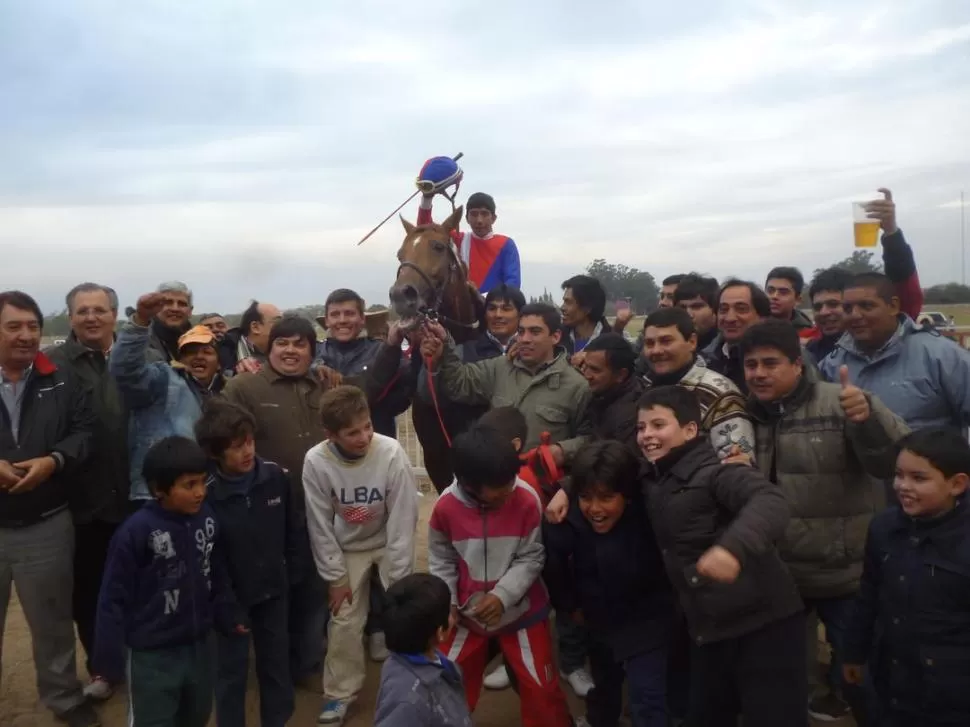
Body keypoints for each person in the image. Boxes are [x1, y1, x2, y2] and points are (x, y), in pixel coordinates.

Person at [739, 319, 908, 722]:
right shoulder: (745, 415)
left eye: (770, 363)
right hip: (780, 576)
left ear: (798, 365)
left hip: (844, 573)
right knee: (786, 681)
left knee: (863, 677)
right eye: (750, 365)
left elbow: (893, 463)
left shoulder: (845, 402)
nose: (759, 373)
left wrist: (868, 422)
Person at [637, 386, 806, 727]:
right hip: (708, 627)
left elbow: (770, 502)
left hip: (763, 624)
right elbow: (608, 464)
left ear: (689, 430)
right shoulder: (653, 477)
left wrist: (732, 548)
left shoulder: (718, 472)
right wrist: (567, 490)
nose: (647, 435)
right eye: (641, 427)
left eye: (658, 425)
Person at [428, 423, 574, 727]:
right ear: (470, 483)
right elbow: (441, 558)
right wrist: (448, 603)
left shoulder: (526, 497)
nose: (511, 488)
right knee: (446, 680)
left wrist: (503, 596)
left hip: (523, 613)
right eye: (501, 486)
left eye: (513, 479)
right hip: (467, 615)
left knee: (541, 688)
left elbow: (532, 555)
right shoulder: (445, 507)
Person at [92, 436, 242, 727]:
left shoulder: (207, 519)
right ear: (159, 489)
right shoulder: (135, 533)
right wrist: (107, 660)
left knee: (196, 716)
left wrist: (226, 613)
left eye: (202, 482)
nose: (200, 492)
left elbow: (216, 571)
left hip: (199, 648)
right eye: (189, 485)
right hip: (152, 656)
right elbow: (112, 598)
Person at [0, 290, 99, 727]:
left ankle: (63, 698)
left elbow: (84, 430)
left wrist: (53, 461)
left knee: (53, 622)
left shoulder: (60, 375)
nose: (26, 336)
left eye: (33, 326)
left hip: (46, 521)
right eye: (13, 326)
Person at [223, 315, 330, 686]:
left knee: (315, 591)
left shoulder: (325, 385)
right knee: (273, 592)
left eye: (300, 344)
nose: (290, 350)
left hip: (319, 512)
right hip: (266, 515)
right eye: (282, 342)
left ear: (312, 351)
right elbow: (224, 441)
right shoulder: (243, 387)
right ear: (269, 348)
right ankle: (274, 667)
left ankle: (307, 663)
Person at [302, 385, 419, 725]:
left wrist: (399, 580)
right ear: (330, 435)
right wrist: (335, 578)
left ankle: (414, 681)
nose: (364, 436)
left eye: (367, 425)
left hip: (387, 539)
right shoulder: (316, 460)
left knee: (408, 610)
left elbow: (403, 517)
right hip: (348, 546)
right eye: (352, 432)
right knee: (344, 620)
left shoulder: (391, 451)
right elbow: (319, 524)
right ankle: (339, 695)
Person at [844, 428, 970, 727]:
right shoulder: (884, 527)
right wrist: (854, 651)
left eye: (919, 478)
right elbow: (869, 595)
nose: (903, 486)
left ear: (957, 484)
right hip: (894, 682)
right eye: (899, 475)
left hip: (953, 696)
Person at [544, 441, 673, 727]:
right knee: (604, 683)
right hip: (597, 616)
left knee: (647, 694)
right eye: (586, 497)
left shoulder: (650, 512)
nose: (595, 508)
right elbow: (554, 566)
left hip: (647, 617)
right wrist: (570, 605)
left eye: (605, 498)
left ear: (626, 496)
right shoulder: (566, 518)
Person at [44, 283, 131, 701]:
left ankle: (139, 656)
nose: (91, 317)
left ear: (115, 314)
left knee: (141, 583)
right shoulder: (52, 364)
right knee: (90, 591)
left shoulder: (139, 356)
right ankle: (102, 666)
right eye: (82, 311)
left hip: (136, 494)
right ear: (71, 317)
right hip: (82, 499)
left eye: (100, 309)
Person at [196, 399, 298, 727]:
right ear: (214, 453)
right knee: (230, 673)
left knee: (276, 666)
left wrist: (291, 576)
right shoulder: (205, 495)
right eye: (237, 447)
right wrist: (226, 606)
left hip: (273, 592)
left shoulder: (275, 477)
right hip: (231, 602)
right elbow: (209, 558)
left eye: (250, 442)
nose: (247, 452)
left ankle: (277, 721)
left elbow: (293, 531)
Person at [420, 303, 591, 451]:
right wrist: (446, 343)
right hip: (494, 479)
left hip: (542, 485)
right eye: (521, 331)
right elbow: (458, 383)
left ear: (555, 337)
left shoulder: (577, 385)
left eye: (535, 332)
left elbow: (589, 439)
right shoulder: (499, 367)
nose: (525, 339)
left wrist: (561, 451)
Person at [818, 272, 970, 431]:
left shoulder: (942, 355)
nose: (855, 315)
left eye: (866, 306)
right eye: (848, 308)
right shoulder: (832, 364)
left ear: (893, 306)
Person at [111, 294, 224, 502]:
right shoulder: (165, 380)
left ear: (218, 362)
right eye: (190, 352)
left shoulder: (229, 391)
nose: (198, 357)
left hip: (209, 493)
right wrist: (140, 322)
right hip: (161, 497)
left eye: (206, 351)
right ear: (180, 360)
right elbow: (125, 370)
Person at [415, 285, 526, 489]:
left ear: (521, 314)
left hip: (524, 458)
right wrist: (433, 363)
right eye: (492, 308)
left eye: (506, 308)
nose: (498, 315)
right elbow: (428, 396)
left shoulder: (533, 354)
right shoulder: (460, 352)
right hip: (474, 459)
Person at [642, 307, 755, 458]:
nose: (656, 350)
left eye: (666, 341)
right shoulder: (643, 388)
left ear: (692, 342)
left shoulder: (720, 394)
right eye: (650, 343)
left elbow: (737, 466)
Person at [373, 573, 474, 727]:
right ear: (441, 632)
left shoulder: (425, 658)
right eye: (448, 613)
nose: (453, 617)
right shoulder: (406, 700)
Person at [314, 289, 411, 439]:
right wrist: (315, 369)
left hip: (375, 441)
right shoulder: (313, 354)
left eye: (349, 313)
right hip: (325, 448)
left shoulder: (384, 351)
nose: (342, 320)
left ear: (362, 319)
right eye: (335, 315)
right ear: (326, 321)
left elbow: (404, 393)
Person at [416, 159, 521, 292]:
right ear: (466, 219)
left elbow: (513, 283)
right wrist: (426, 197)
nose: (479, 220)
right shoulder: (458, 240)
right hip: (462, 309)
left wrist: (485, 299)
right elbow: (425, 231)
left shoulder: (506, 244)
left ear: (493, 218)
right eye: (474, 214)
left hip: (494, 309)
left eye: (484, 214)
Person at [701, 279, 771, 391]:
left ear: (762, 317)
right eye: (723, 310)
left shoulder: (782, 359)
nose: (730, 318)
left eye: (741, 309)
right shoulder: (703, 362)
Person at [220, 299, 283, 376]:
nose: (283, 327)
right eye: (277, 322)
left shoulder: (284, 353)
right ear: (255, 327)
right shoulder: (223, 352)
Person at [561, 274, 610, 359]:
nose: (562, 307)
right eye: (564, 302)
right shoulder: (557, 339)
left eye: (568, 302)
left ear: (587, 308)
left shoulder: (611, 343)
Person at [147, 280, 194, 362]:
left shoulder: (199, 343)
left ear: (190, 311)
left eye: (182, 304)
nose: (175, 308)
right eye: (168, 302)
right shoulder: (141, 342)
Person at [672, 273, 720, 351]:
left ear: (715, 309)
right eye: (682, 307)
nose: (688, 314)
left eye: (696, 307)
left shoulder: (727, 351)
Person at [765, 267, 814, 334]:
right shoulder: (750, 325)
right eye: (770, 291)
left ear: (797, 300)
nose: (774, 296)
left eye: (783, 292)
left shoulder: (807, 334)